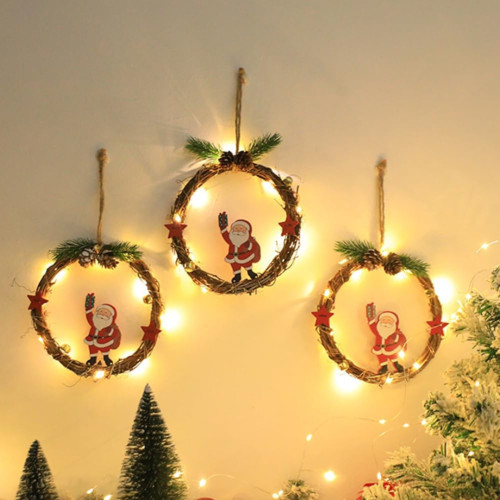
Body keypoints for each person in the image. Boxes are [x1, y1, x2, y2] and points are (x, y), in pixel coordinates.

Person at [218, 212, 261, 284]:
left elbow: (254, 246)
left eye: (241, 228)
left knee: (247, 264)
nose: (238, 230)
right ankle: (237, 276)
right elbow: (225, 235)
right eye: (236, 228)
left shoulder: (248, 240)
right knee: (235, 266)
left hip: (245, 256)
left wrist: (249, 245)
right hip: (233, 257)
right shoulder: (231, 239)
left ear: (247, 231)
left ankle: (250, 272)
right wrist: (223, 228)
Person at [366, 303, 406, 374]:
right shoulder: (377, 330)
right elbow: (372, 324)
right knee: (382, 358)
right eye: (384, 320)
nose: (386, 322)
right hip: (379, 349)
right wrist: (370, 315)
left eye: (389, 320)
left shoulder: (395, 331)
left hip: (391, 349)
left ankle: (396, 364)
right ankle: (384, 367)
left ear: (394, 323)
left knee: (393, 356)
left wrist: (396, 337)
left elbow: (401, 338)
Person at [84, 293, 121, 366]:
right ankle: (92, 359)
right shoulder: (94, 321)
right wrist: (88, 309)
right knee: (92, 349)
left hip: (104, 341)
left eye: (106, 313)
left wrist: (110, 332)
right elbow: (89, 316)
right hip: (92, 340)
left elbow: (115, 333)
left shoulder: (110, 326)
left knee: (105, 349)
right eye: (101, 311)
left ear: (111, 316)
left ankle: (106, 358)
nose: (102, 314)